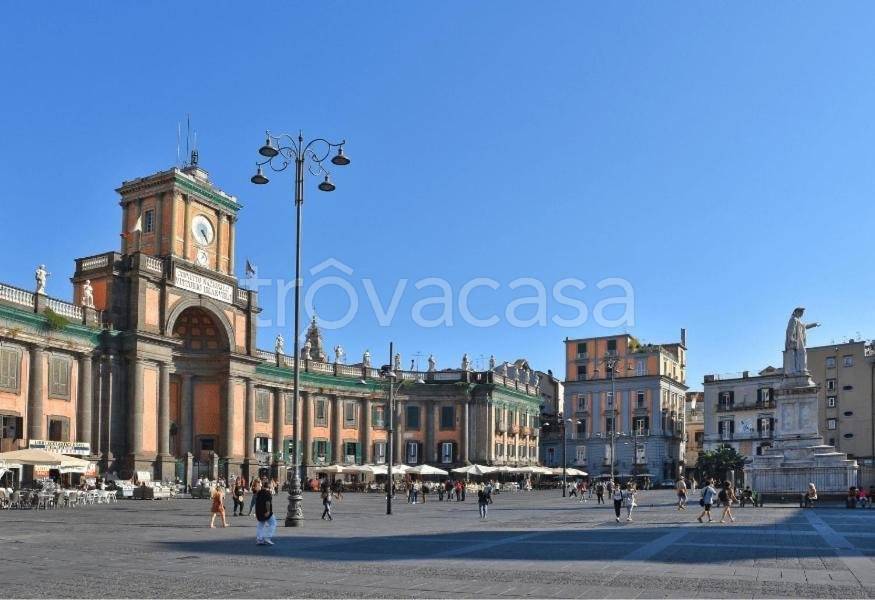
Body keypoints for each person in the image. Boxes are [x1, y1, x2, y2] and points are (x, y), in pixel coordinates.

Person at [253, 479, 275, 545]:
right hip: (266, 512)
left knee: (261, 525)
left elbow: (256, 502)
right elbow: (267, 503)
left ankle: (259, 539)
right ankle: (267, 538)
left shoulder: (259, 492)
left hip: (259, 511)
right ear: (269, 486)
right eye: (271, 484)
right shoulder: (268, 493)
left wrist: (256, 512)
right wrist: (268, 511)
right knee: (273, 523)